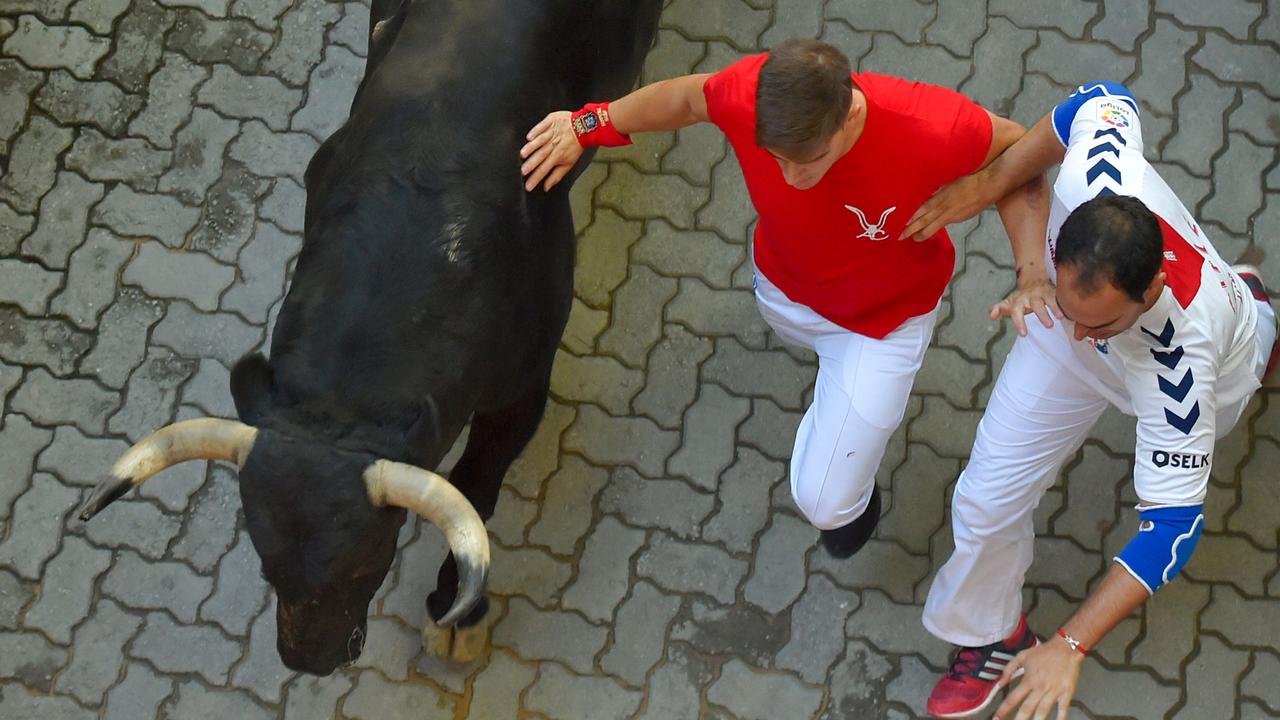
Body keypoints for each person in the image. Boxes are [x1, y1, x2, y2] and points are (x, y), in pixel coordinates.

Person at [520, 39, 1043, 558]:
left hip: (880, 326)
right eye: (777, 160)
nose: (793, 180)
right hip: (782, 289)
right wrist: (585, 125)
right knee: (830, 399)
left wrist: (1008, 231)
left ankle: (852, 495)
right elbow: (686, 99)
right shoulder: (747, 93)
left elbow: (1026, 150)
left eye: (810, 160)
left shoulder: (933, 125)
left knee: (824, 502)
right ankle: (838, 414)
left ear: (848, 116)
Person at [900, 82, 1279, 719]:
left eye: (1098, 323)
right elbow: (1101, 97)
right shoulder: (1091, 175)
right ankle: (990, 635)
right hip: (1092, 342)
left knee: (1251, 340)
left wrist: (1071, 644)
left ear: (1152, 287)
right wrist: (990, 185)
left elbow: (1173, 531)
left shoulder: (1179, 369)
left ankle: (1254, 305)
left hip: (1212, 356)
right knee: (983, 500)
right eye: (1075, 310)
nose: (1079, 331)